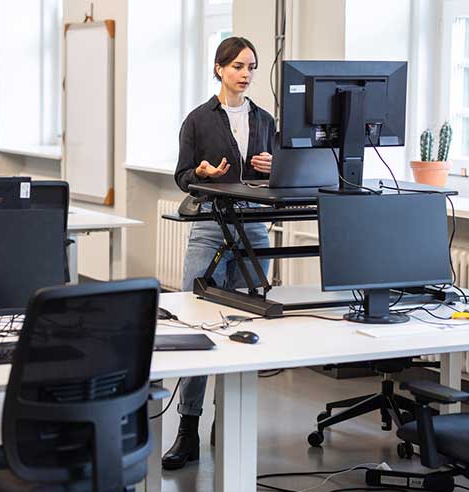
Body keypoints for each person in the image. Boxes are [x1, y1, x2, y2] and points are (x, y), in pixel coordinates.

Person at [165, 36, 276, 470]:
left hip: (253, 223)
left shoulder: (265, 120)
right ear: (219, 69)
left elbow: (283, 173)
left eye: (250, 66)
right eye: (236, 66)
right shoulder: (197, 120)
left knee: (249, 321)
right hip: (211, 223)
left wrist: (274, 167)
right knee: (198, 323)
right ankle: (188, 428)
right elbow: (181, 176)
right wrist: (201, 174)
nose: (245, 74)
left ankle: (228, 423)